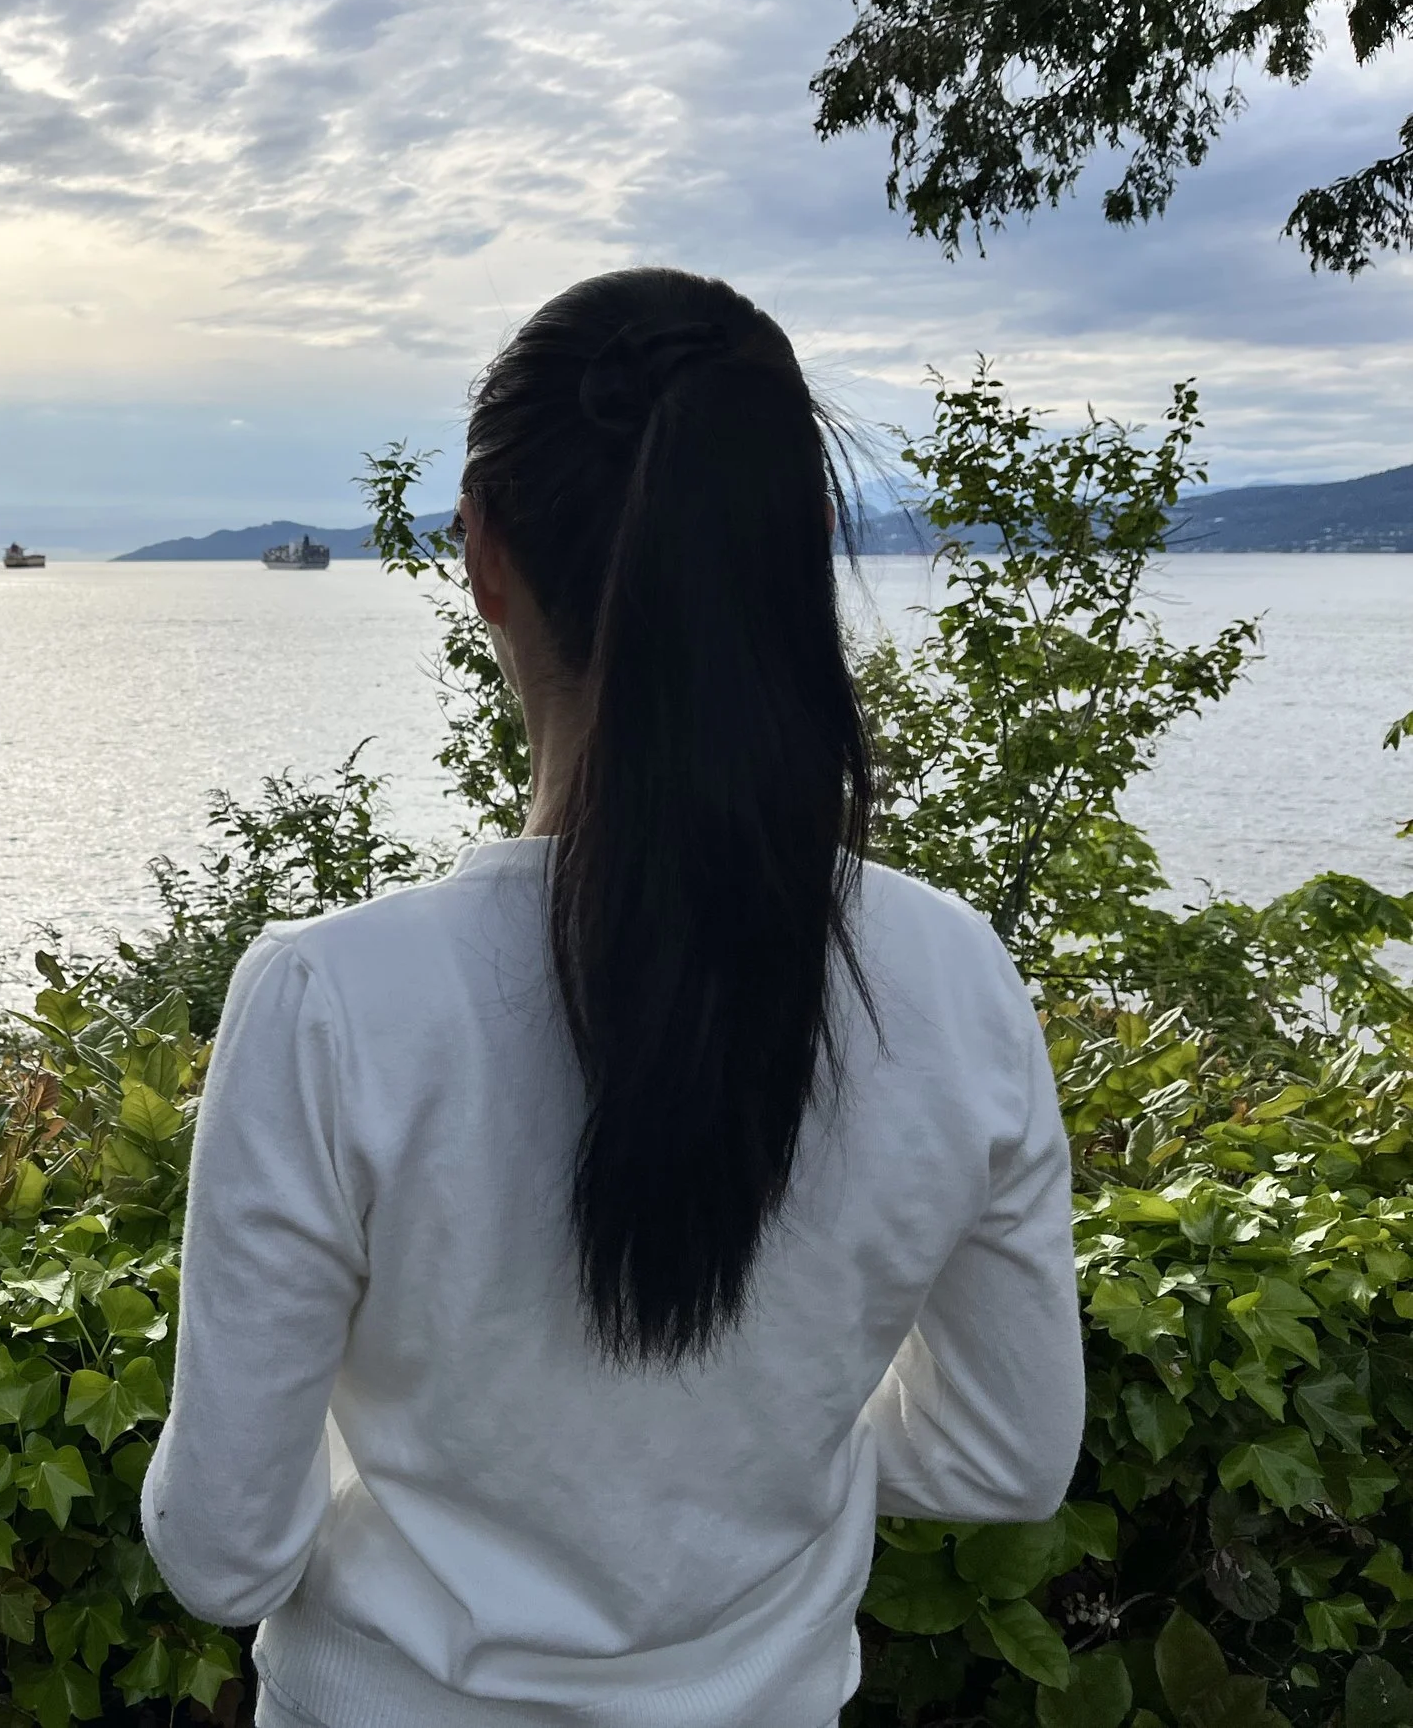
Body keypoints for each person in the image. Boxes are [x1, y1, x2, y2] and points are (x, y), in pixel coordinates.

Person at [139, 268, 1083, 1728]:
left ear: (482, 553)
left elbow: (223, 1551)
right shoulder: (952, 985)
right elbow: (1011, 1456)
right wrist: (764, 1444)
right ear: (799, 547)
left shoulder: (333, 1007)